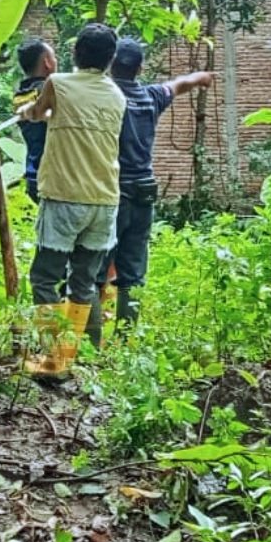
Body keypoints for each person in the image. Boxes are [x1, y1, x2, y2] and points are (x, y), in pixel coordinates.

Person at [21, 24, 125, 379]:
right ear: (110, 60)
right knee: (85, 281)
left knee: (45, 277)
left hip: (65, 196)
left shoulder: (58, 84)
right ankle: (87, 355)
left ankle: (56, 360)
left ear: (76, 53)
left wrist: (30, 112)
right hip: (105, 200)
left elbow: (36, 113)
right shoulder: (117, 95)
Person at [97, 39, 214, 335]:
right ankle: (125, 342)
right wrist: (200, 78)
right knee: (133, 273)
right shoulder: (150, 97)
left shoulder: (105, 95)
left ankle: (90, 341)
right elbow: (178, 85)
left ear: (111, 65)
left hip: (111, 193)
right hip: (144, 191)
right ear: (140, 68)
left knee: (96, 270)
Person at [13, 39, 57, 202]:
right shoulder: (50, 92)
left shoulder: (20, 95)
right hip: (53, 177)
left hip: (33, 172)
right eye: (54, 57)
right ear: (47, 62)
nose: (56, 61)